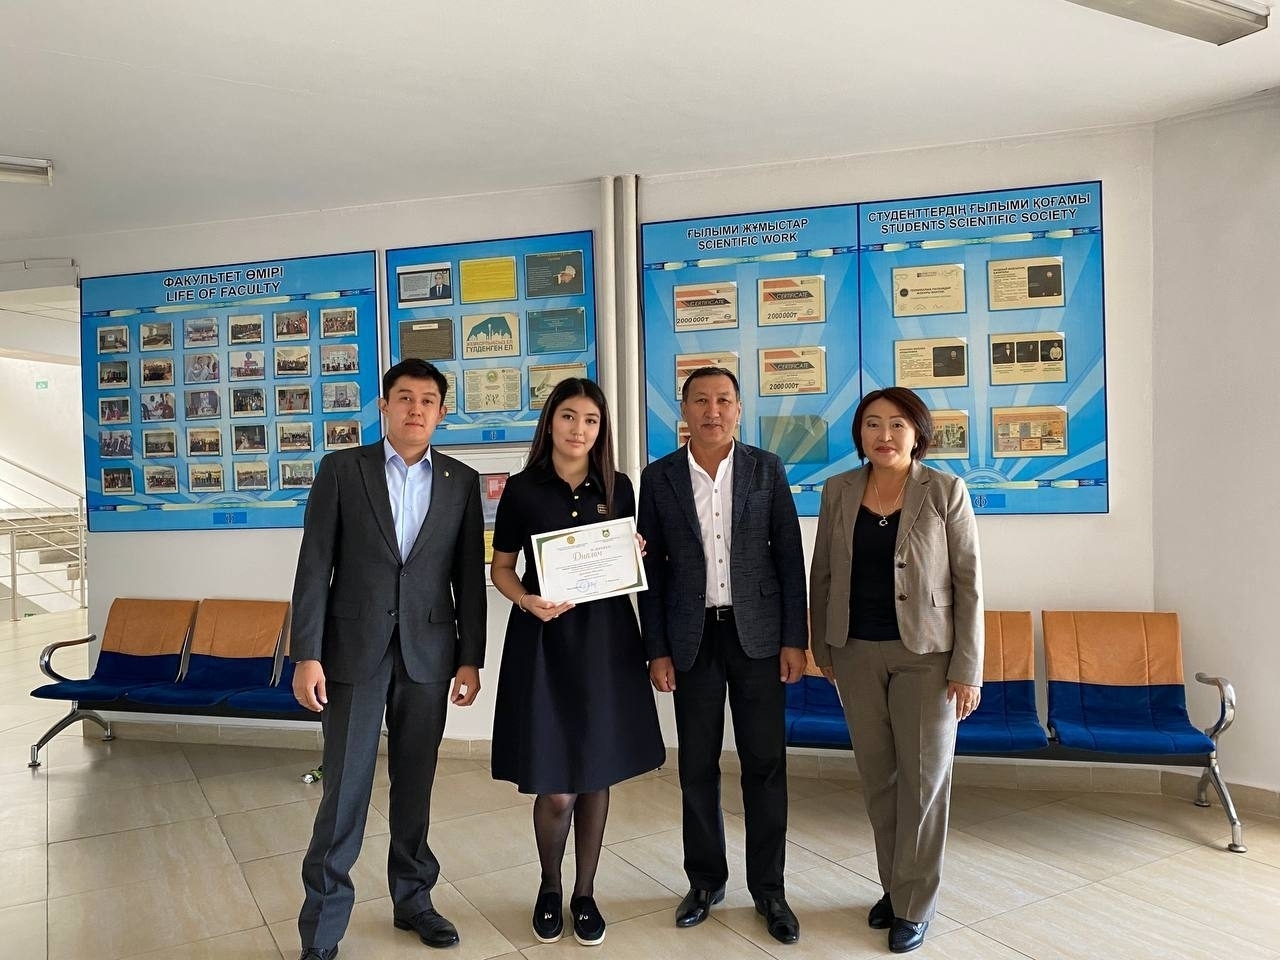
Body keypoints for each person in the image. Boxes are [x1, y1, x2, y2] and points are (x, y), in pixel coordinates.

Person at [290, 358, 486, 960]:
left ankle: (414, 900)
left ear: (441, 412)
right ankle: (323, 928)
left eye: (427, 400)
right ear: (384, 405)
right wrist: (306, 654)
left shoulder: (460, 480)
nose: (415, 409)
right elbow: (314, 566)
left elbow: (468, 578)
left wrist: (471, 658)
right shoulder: (342, 469)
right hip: (352, 653)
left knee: (415, 786)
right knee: (344, 791)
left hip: (429, 653)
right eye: (404, 398)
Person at [489, 377, 664, 947]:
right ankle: (549, 886)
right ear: (551, 421)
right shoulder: (522, 489)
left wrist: (633, 553)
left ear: (601, 428)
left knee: (594, 774)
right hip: (543, 641)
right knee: (557, 786)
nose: (578, 429)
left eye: (590, 419)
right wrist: (526, 601)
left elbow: (628, 563)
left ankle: (584, 894)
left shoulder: (618, 486)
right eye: (568, 416)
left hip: (606, 642)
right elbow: (501, 569)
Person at [808, 386, 983, 955]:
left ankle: (914, 904)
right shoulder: (839, 490)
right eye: (873, 424)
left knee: (924, 782)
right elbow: (823, 572)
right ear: (860, 433)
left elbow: (969, 584)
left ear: (917, 433)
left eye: (898, 424)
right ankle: (895, 885)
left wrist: (968, 668)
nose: (884, 435)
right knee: (879, 779)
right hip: (856, 651)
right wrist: (823, 647)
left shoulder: (945, 491)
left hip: (927, 657)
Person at [637, 366, 806, 945]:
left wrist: (794, 638)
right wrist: (656, 649)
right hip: (692, 638)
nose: (713, 410)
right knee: (696, 766)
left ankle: (770, 889)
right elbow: (651, 571)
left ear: (738, 408)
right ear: (684, 409)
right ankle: (705, 881)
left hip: (758, 636)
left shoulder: (766, 468)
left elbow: (789, 558)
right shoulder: (658, 477)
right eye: (701, 400)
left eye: (724, 400)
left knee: (765, 764)